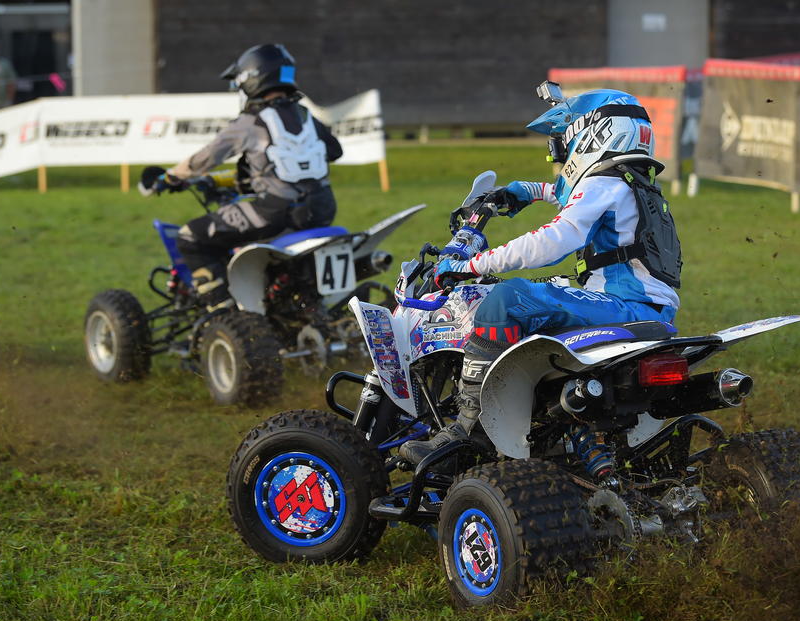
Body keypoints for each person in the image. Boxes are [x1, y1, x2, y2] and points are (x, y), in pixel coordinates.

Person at [401, 84, 682, 464]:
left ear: (593, 134)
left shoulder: (604, 183)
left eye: (563, 143)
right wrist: (526, 191)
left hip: (624, 307)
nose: (559, 154)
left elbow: (553, 241)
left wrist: (469, 265)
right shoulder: (632, 183)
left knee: (505, 299)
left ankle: (470, 428)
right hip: (646, 311)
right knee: (546, 296)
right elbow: (574, 197)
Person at [167, 43, 342, 311]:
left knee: (190, 237)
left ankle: (224, 315)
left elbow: (204, 159)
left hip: (276, 212)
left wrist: (171, 177)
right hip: (323, 209)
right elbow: (334, 150)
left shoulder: (250, 122)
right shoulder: (306, 115)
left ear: (250, 78)